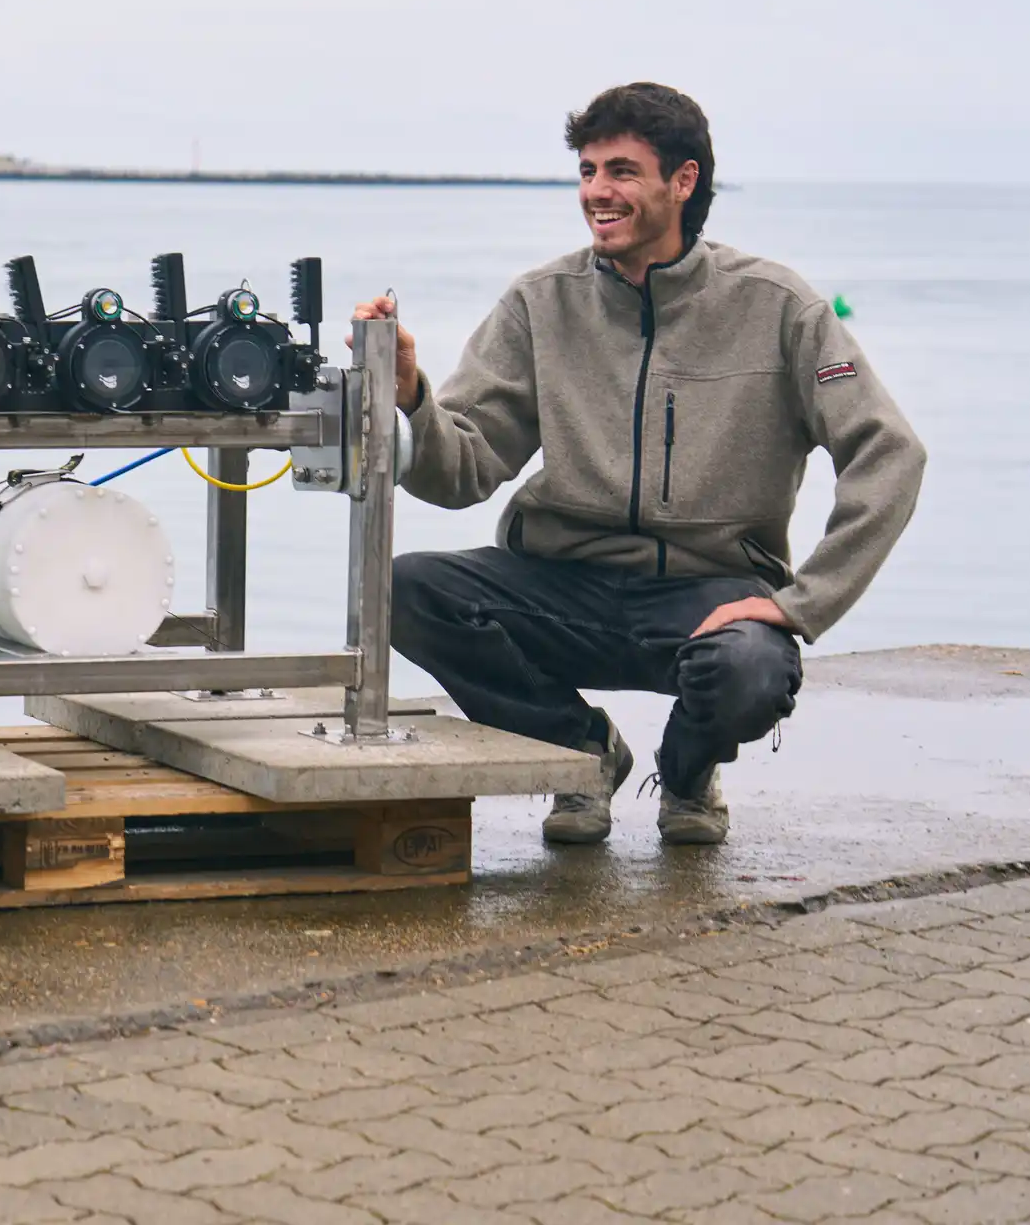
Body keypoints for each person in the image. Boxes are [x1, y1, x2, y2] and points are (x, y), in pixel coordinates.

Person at [365, 82, 925, 846]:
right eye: (588, 171)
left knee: (752, 669)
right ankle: (580, 753)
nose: (597, 191)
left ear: (683, 181)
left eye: (622, 171)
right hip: (562, 584)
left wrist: (803, 604)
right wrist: (412, 399)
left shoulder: (778, 307)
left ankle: (688, 774)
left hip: (710, 591)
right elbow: (461, 472)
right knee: (402, 588)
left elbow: (891, 453)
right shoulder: (539, 302)